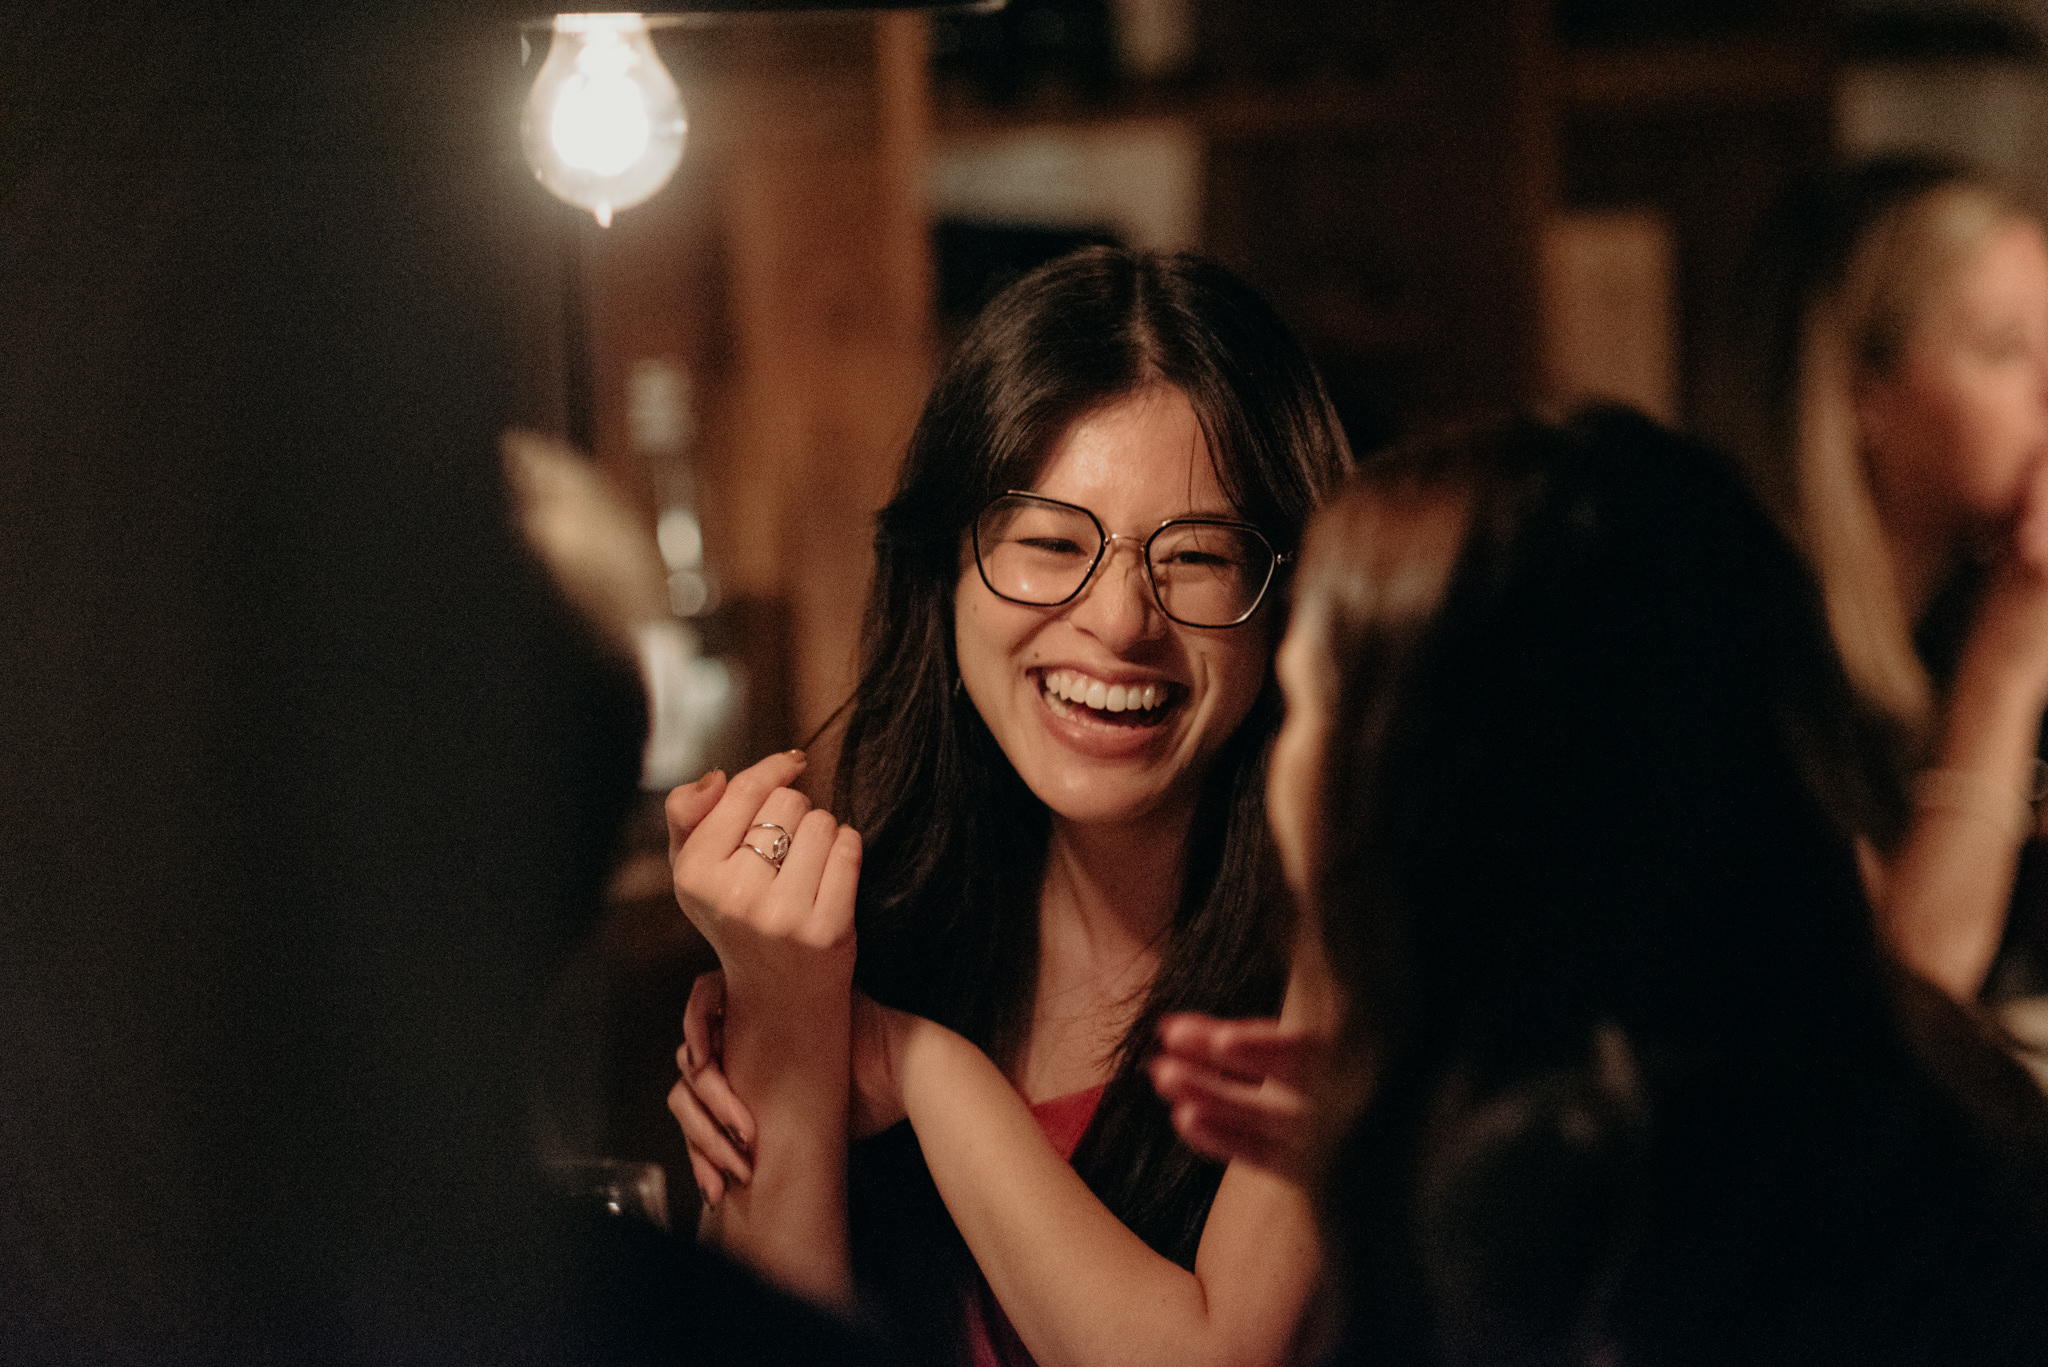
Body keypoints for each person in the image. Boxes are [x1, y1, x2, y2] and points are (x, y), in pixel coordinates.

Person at [1158, 409, 2048, 1364]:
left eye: (1304, 705)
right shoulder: (1897, 1068)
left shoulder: (1575, 1190)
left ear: (1420, 773)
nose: (1280, 767)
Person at [664, 245, 1354, 1365]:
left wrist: (927, 1072)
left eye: (1196, 556)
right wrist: (785, 1014)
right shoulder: (875, 951)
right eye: (1046, 543)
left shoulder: (1340, 961)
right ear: (942, 574)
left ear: (1288, 603)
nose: (1121, 620)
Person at [1710, 155, 2048, 1004]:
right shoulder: (1733, 642)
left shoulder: (1967, 604)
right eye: (2007, 350)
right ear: (1864, 395)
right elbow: (1906, 994)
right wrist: (2010, 663)